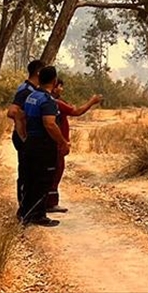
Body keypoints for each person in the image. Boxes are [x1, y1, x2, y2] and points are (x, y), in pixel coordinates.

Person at [19, 65, 67, 227]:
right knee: (43, 181)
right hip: (44, 146)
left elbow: (21, 117)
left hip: (30, 142)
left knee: (30, 179)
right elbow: (50, 124)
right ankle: (38, 215)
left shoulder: (31, 96)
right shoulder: (48, 100)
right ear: (54, 81)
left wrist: (24, 136)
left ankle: (25, 213)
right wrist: (62, 142)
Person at [46, 78, 102, 213]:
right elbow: (76, 111)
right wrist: (92, 102)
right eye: (59, 86)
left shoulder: (47, 101)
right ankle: (51, 203)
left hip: (49, 143)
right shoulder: (55, 103)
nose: (61, 89)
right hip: (57, 144)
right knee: (56, 172)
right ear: (53, 87)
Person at [7, 59, 45, 211]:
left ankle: (29, 207)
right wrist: (24, 123)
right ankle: (24, 209)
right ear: (38, 72)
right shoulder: (26, 90)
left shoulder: (31, 89)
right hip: (24, 138)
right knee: (26, 173)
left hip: (27, 137)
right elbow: (12, 112)